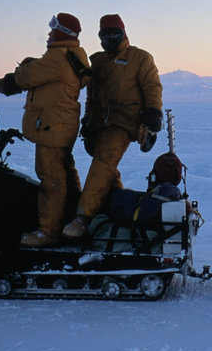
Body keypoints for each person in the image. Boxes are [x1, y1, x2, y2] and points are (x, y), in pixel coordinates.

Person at [0, 13, 89, 247]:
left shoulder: (57, 57)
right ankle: (69, 219)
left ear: (63, 32)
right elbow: (44, 72)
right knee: (64, 174)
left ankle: (48, 232)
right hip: (60, 126)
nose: (49, 32)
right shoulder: (74, 55)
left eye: (53, 27)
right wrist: (34, 63)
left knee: (51, 179)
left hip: (51, 127)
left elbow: (25, 78)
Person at [62, 14, 163, 240]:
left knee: (104, 162)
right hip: (99, 124)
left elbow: (152, 86)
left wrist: (153, 113)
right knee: (107, 170)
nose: (109, 39)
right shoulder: (98, 61)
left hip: (124, 122)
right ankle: (116, 208)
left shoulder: (139, 58)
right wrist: (87, 121)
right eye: (104, 34)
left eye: (114, 33)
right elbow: (91, 96)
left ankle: (83, 217)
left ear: (123, 33)